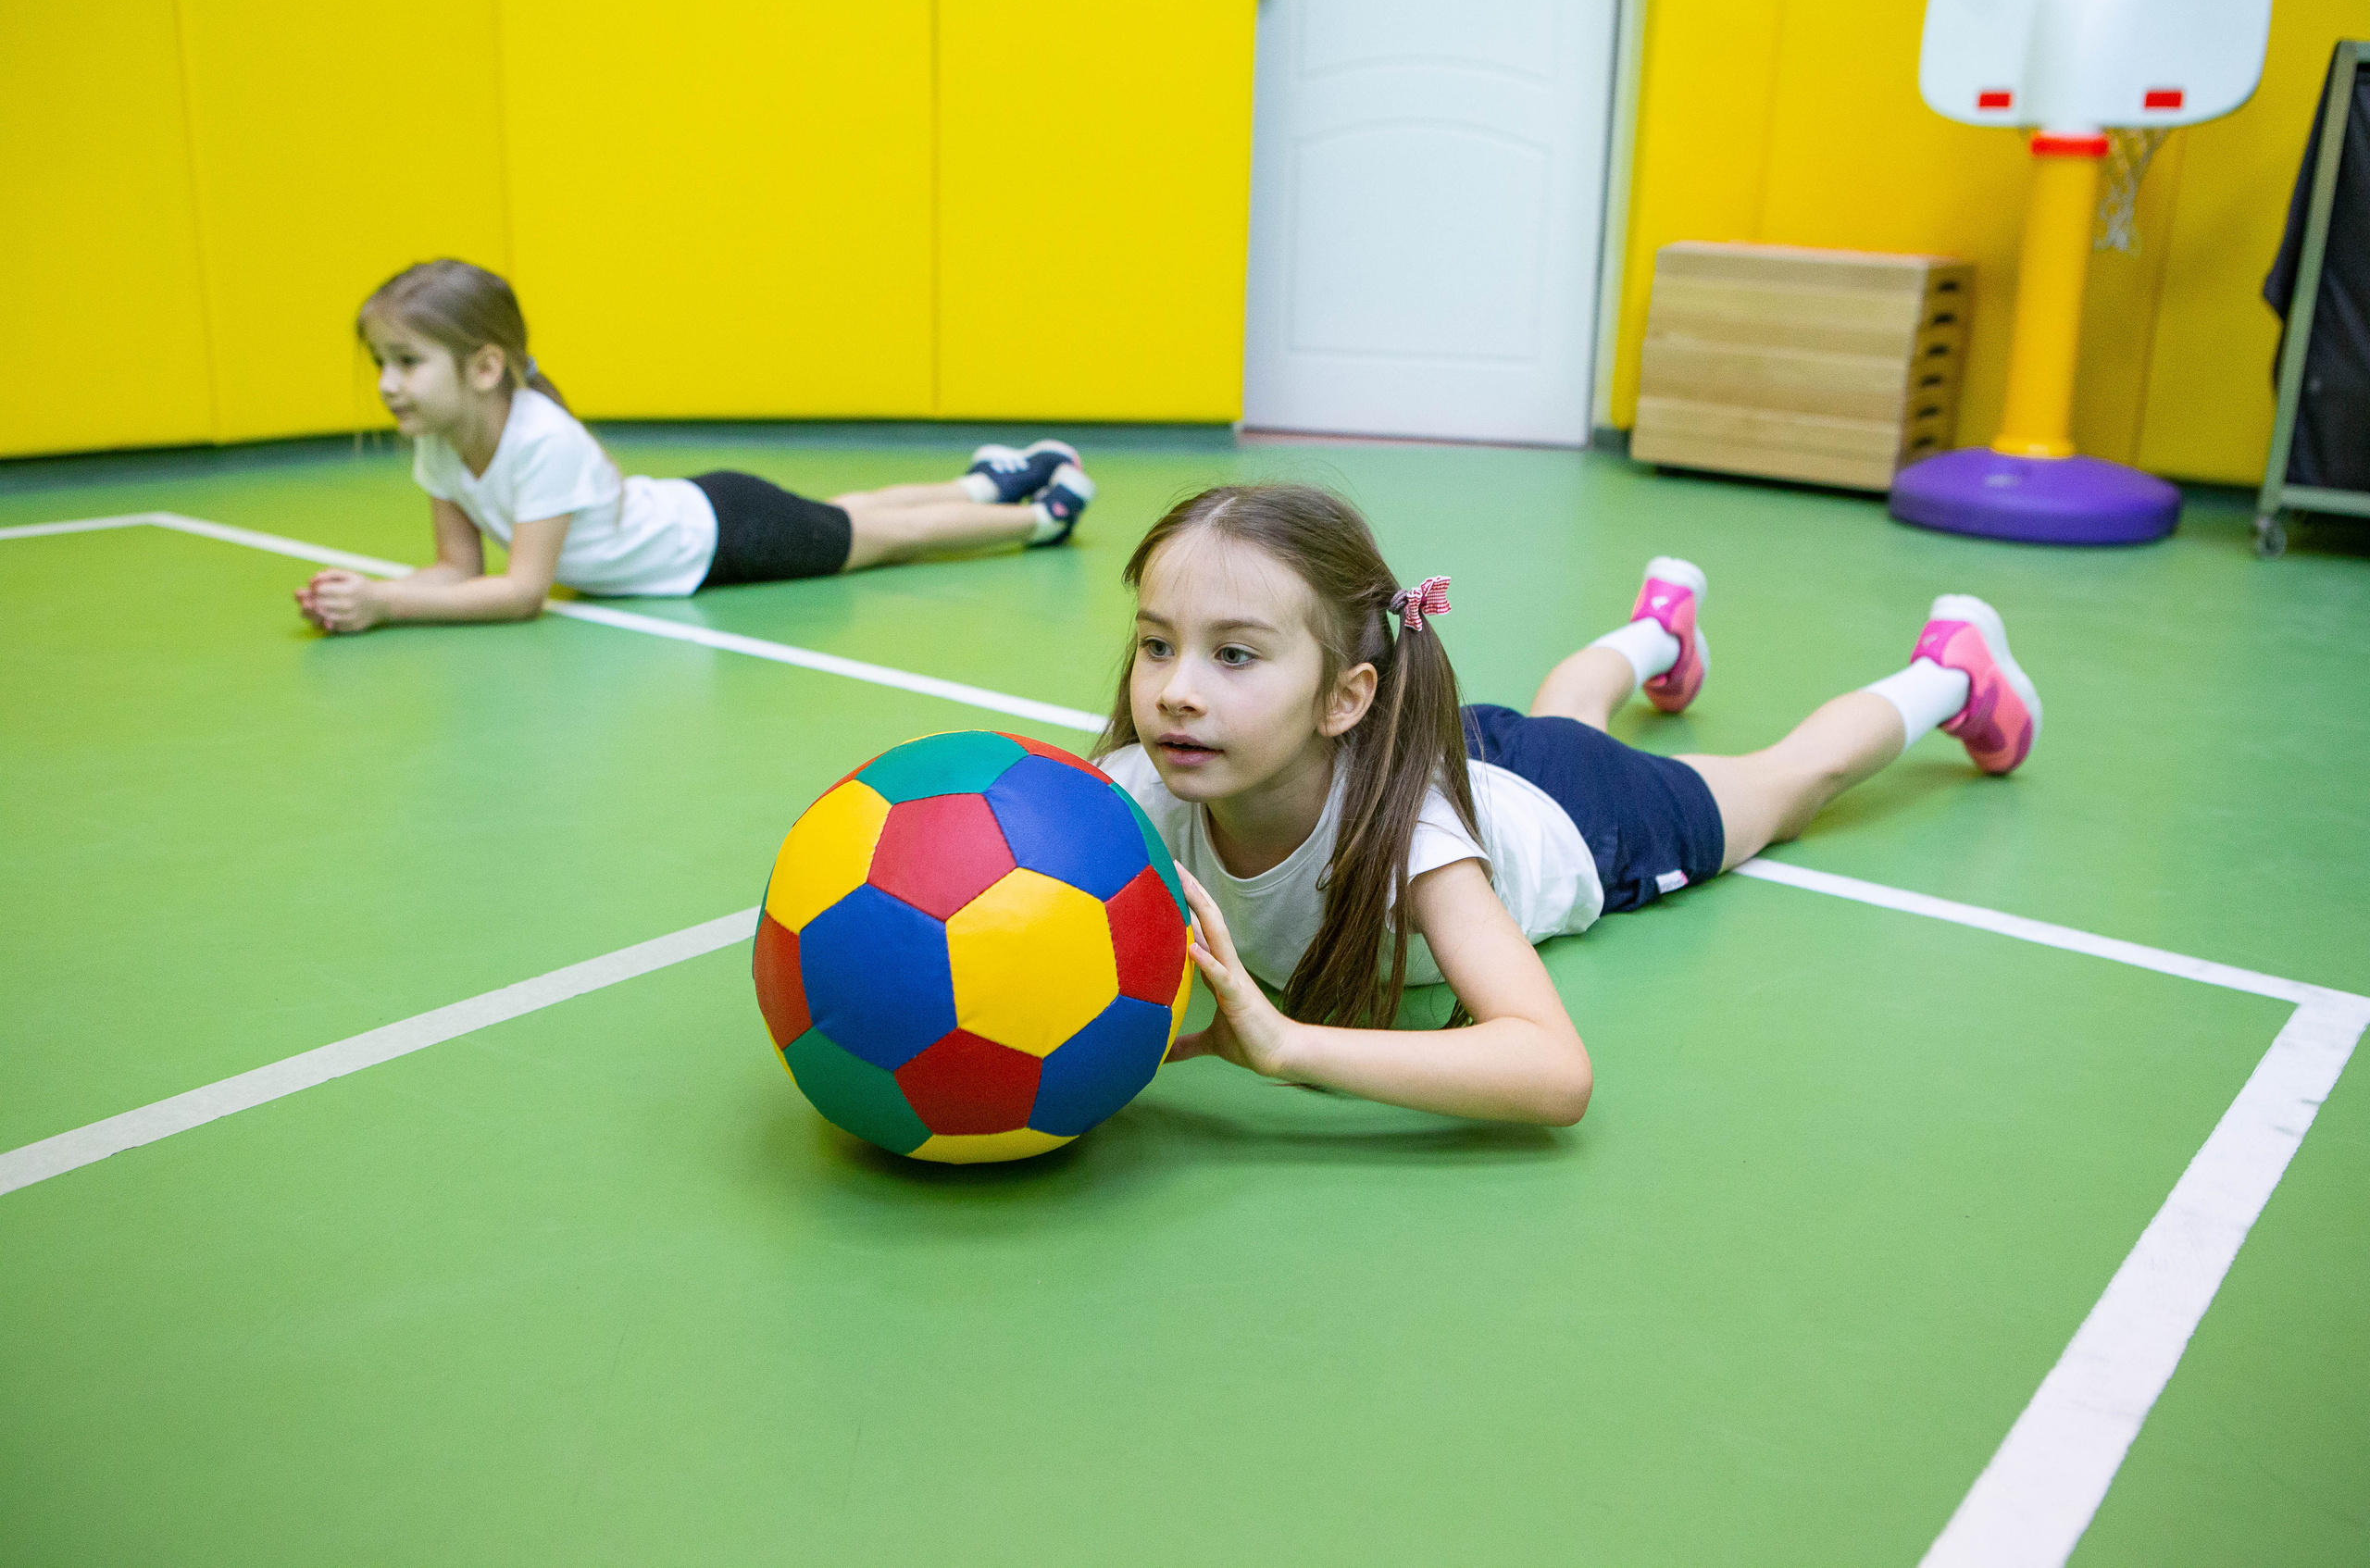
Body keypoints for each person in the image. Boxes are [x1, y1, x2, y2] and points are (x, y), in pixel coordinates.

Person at [1094, 483, 2040, 1126]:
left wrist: (1290, 1046)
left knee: (1788, 784)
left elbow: (1553, 1070)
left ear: (1345, 697)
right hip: (1443, 754)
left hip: (1578, 812)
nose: (1177, 692)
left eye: (1234, 654)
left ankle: (1952, 673)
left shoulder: (1416, 844)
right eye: (1157, 645)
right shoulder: (1139, 787)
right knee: (1563, 715)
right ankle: (1659, 632)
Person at [296, 259, 1092, 634]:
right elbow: (457, 567)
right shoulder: (441, 440)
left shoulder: (541, 442)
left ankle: (1038, 519)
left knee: (890, 537)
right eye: (381, 363)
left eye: (407, 362)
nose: (388, 384)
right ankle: (988, 483)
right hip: (710, 510)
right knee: (849, 515)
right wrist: (364, 591)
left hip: (727, 540)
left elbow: (520, 591)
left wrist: (388, 605)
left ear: (483, 367)